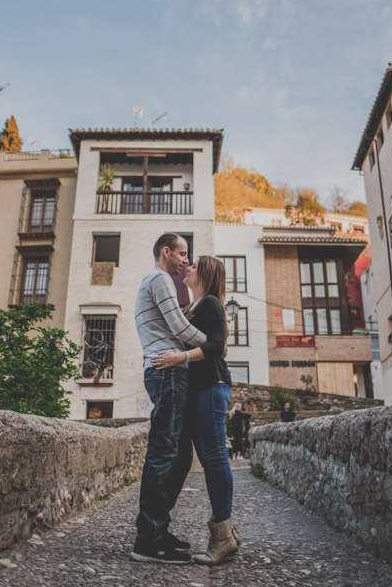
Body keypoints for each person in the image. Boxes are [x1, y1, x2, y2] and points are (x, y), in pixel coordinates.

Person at [152, 255, 240, 566]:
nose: (187, 268)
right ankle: (228, 531)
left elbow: (216, 346)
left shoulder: (210, 303)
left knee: (214, 456)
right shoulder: (195, 307)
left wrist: (178, 358)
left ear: (205, 273)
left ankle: (223, 535)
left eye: (194, 265)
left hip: (212, 386)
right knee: (207, 457)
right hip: (201, 389)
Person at [132, 234, 207, 564]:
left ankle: (157, 528)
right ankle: (148, 538)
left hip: (167, 370)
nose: (186, 261)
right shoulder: (160, 278)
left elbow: (175, 324)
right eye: (182, 253)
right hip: (167, 371)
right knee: (164, 452)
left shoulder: (158, 281)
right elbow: (179, 328)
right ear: (166, 252)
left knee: (179, 456)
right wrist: (214, 344)